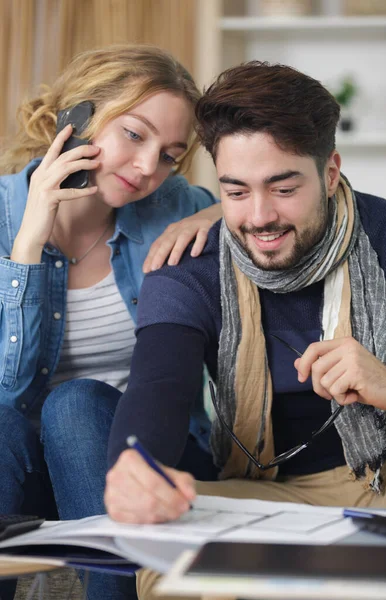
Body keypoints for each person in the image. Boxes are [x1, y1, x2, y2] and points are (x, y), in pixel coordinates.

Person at [104, 61, 386, 598]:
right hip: (265, 494)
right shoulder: (188, 266)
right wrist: (134, 466)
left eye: (283, 187)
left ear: (330, 173)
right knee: (169, 571)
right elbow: (158, 385)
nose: (260, 217)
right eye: (236, 192)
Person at [0, 44, 221, 600]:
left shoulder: (170, 206)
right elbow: (7, 393)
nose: (150, 168)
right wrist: (27, 245)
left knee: (74, 404)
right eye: (134, 134)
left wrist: (211, 211)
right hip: (21, 467)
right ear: (78, 118)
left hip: (142, 461)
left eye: (170, 154)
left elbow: (258, 202)